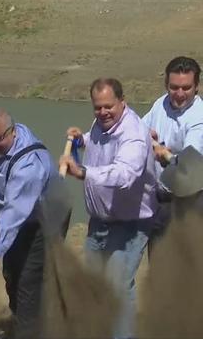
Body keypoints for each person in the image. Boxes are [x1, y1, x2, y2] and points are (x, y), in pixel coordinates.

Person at [59, 78, 158, 339]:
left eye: (108, 107)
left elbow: (125, 175)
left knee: (118, 286)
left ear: (122, 102)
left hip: (131, 223)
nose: (102, 112)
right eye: (97, 107)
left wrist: (82, 172)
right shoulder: (102, 124)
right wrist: (81, 141)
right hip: (100, 222)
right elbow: (98, 142)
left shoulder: (134, 135)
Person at [0, 108, 68, 338]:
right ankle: (20, 327)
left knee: (29, 281)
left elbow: (14, 211)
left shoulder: (28, 164)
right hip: (17, 218)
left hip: (45, 219)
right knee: (12, 275)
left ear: (13, 133)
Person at [142, 56, 203, 252]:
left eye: (186, 88)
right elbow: (138, 129)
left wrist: (167, 158)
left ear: (197, 86)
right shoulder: (161, 103)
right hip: (158, 200)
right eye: (174, 87)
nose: (179, 94)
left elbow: (188, 165)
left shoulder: (198, 119)